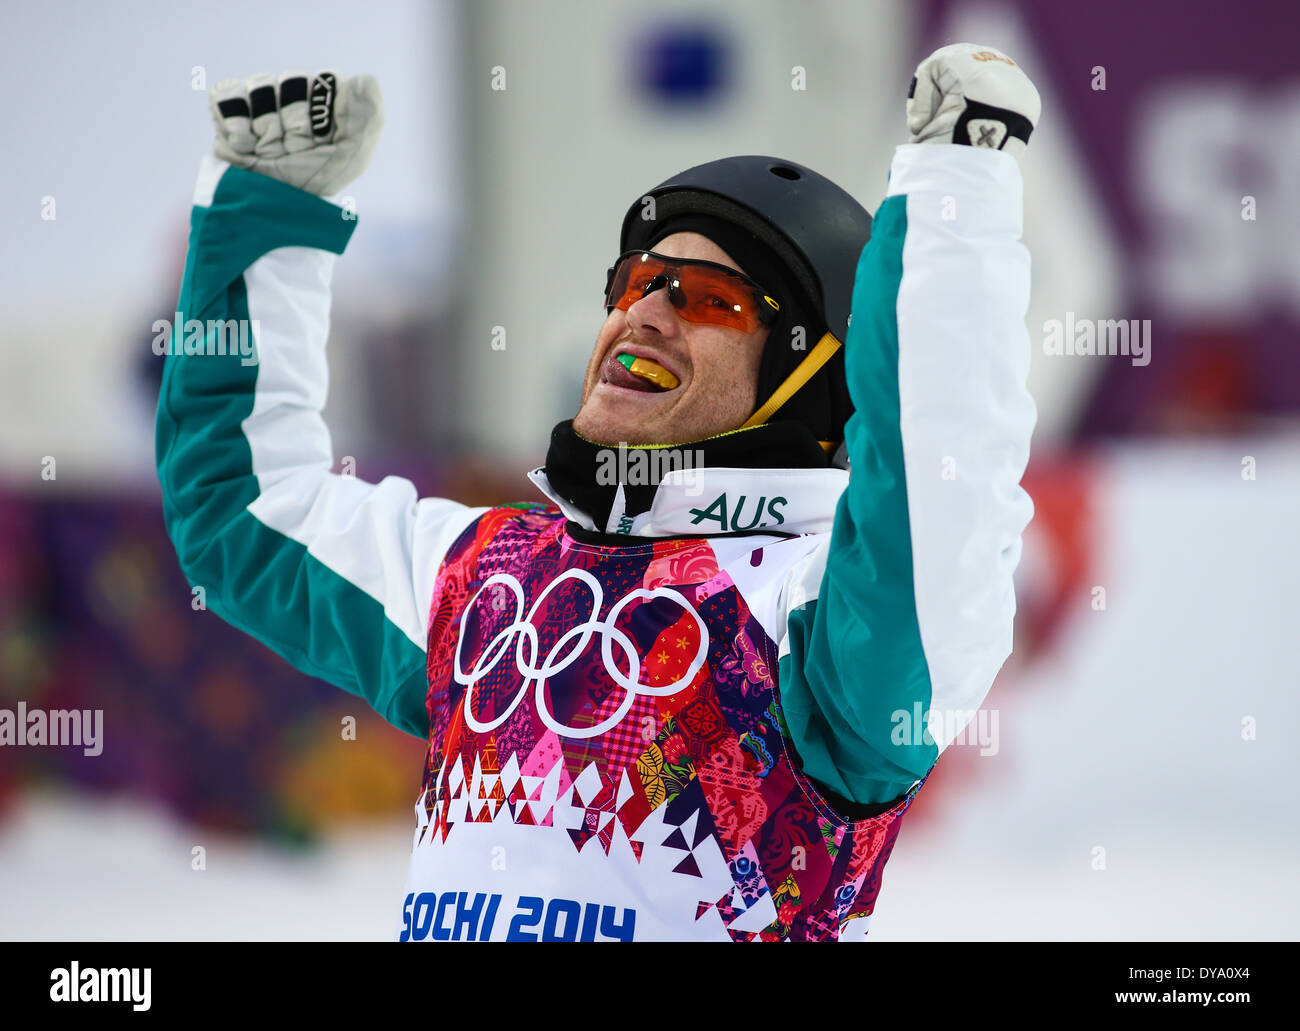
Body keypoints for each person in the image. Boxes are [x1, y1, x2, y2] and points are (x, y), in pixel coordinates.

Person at [156, 44, 1040, 942]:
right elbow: (245, 510)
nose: (641, 312)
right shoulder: (479, 577)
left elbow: (938, 506)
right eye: (634, 281)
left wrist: (953, 201)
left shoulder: (815, 624)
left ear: (807, 373)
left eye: (707, 298)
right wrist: (269, 208)